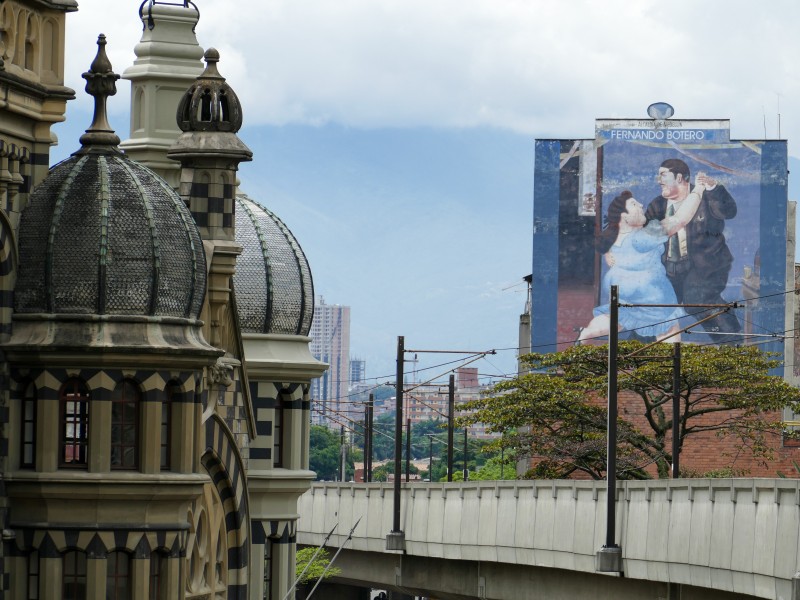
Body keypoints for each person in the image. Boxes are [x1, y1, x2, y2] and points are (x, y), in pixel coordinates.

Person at [577, 183, 706, 344]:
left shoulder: (614, 238)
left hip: (619, 288)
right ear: (624, 217)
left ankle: (587, 333)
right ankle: (671, 362)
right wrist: (698, 190)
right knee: (668, 326)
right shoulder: (642, 237)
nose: (641, 205)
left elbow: (609, 250)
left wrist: (608, 254)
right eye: (634, 204)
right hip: (649, 292)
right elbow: (679, 219)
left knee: (616, 318)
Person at [644, 158, 741, 334]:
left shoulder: (707, 197)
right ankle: (631, 354)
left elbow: (729, 211)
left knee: (698, 301)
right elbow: (647, 236)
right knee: (655, 307)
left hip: (704, 264)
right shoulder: (657, 204)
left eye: (663, 175)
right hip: (668, 268)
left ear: (679, 177)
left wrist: (713, 188)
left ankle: (733, 342)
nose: (658, 180)